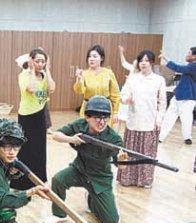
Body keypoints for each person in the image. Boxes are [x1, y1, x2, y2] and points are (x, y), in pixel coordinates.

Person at [44, 96, 127, 223]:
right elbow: (56, 135)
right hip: (79, 170)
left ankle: (92, 200)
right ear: (87, 117)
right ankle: (58, 214)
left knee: (111, 221)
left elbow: (121, 167)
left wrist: (123, 159)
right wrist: (72, 139)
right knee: (58, 180)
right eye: (97, 117)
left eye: (105, 117)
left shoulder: (114, 138)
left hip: (100, 179)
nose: (102, 122)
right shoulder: (80, 125)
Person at [117, 50, 167, 188]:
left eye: (146, 60)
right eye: (141, 60)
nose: (143, 63)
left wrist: (159, 120)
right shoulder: (133, 78)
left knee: (146, 153)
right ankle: (127, 179)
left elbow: (162, 103)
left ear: (151, 62)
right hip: (133, 121)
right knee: (130, 151)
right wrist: (126, 99)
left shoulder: (159, 80)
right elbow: (123, 96)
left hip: (150, 122)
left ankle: (145, 180)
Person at [11, 48, 55, 191]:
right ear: (30, 60)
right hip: (26, 116)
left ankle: (40, 179)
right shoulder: (23, 75)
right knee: (26, 149)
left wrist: (47, 70)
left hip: (40, 115)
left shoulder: (43, 74)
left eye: (43, 61)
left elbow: (51, 88)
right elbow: (30, 88)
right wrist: (31, 70)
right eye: (37, 61)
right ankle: (22, 182)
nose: (40, 64)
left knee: (40, 148)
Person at [74, 44, 121, 129]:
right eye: (90, 56)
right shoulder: (84, 74)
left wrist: (115, 112)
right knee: (88, 133)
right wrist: (78, 79)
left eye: (95, 56)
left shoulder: (108, 73)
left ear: (101, 58)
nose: (91, 59)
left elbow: (116, 94)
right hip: (88, 108)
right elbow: (79, 91)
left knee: (103, 134)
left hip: (105, 109)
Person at [158, 47, 196, 145]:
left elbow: (179, 68)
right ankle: (161, 137)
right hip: (179, 96)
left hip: (188, 98)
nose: (186, 54)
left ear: (194, 56)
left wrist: (166, 58)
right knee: (169, 117)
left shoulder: (193, 66)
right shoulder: (190, 67)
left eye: (189, 53)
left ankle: (187, 137)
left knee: (186, 118)